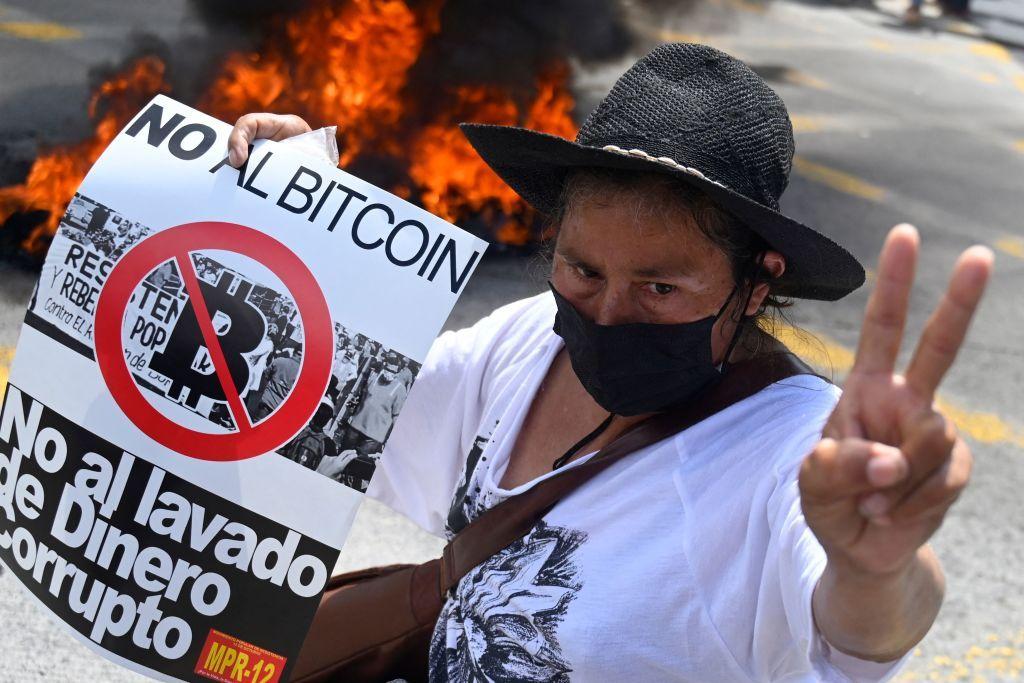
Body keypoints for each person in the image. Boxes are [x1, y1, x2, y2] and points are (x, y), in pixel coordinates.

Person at [228, 43, 992, 682]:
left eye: (660, 287)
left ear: (755, 285)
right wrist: (281, 225)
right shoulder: (526, 337)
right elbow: (337, 412)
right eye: (584, 270)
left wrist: (877, 565)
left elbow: (863, 630)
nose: (607, 312)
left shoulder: (799, 449)